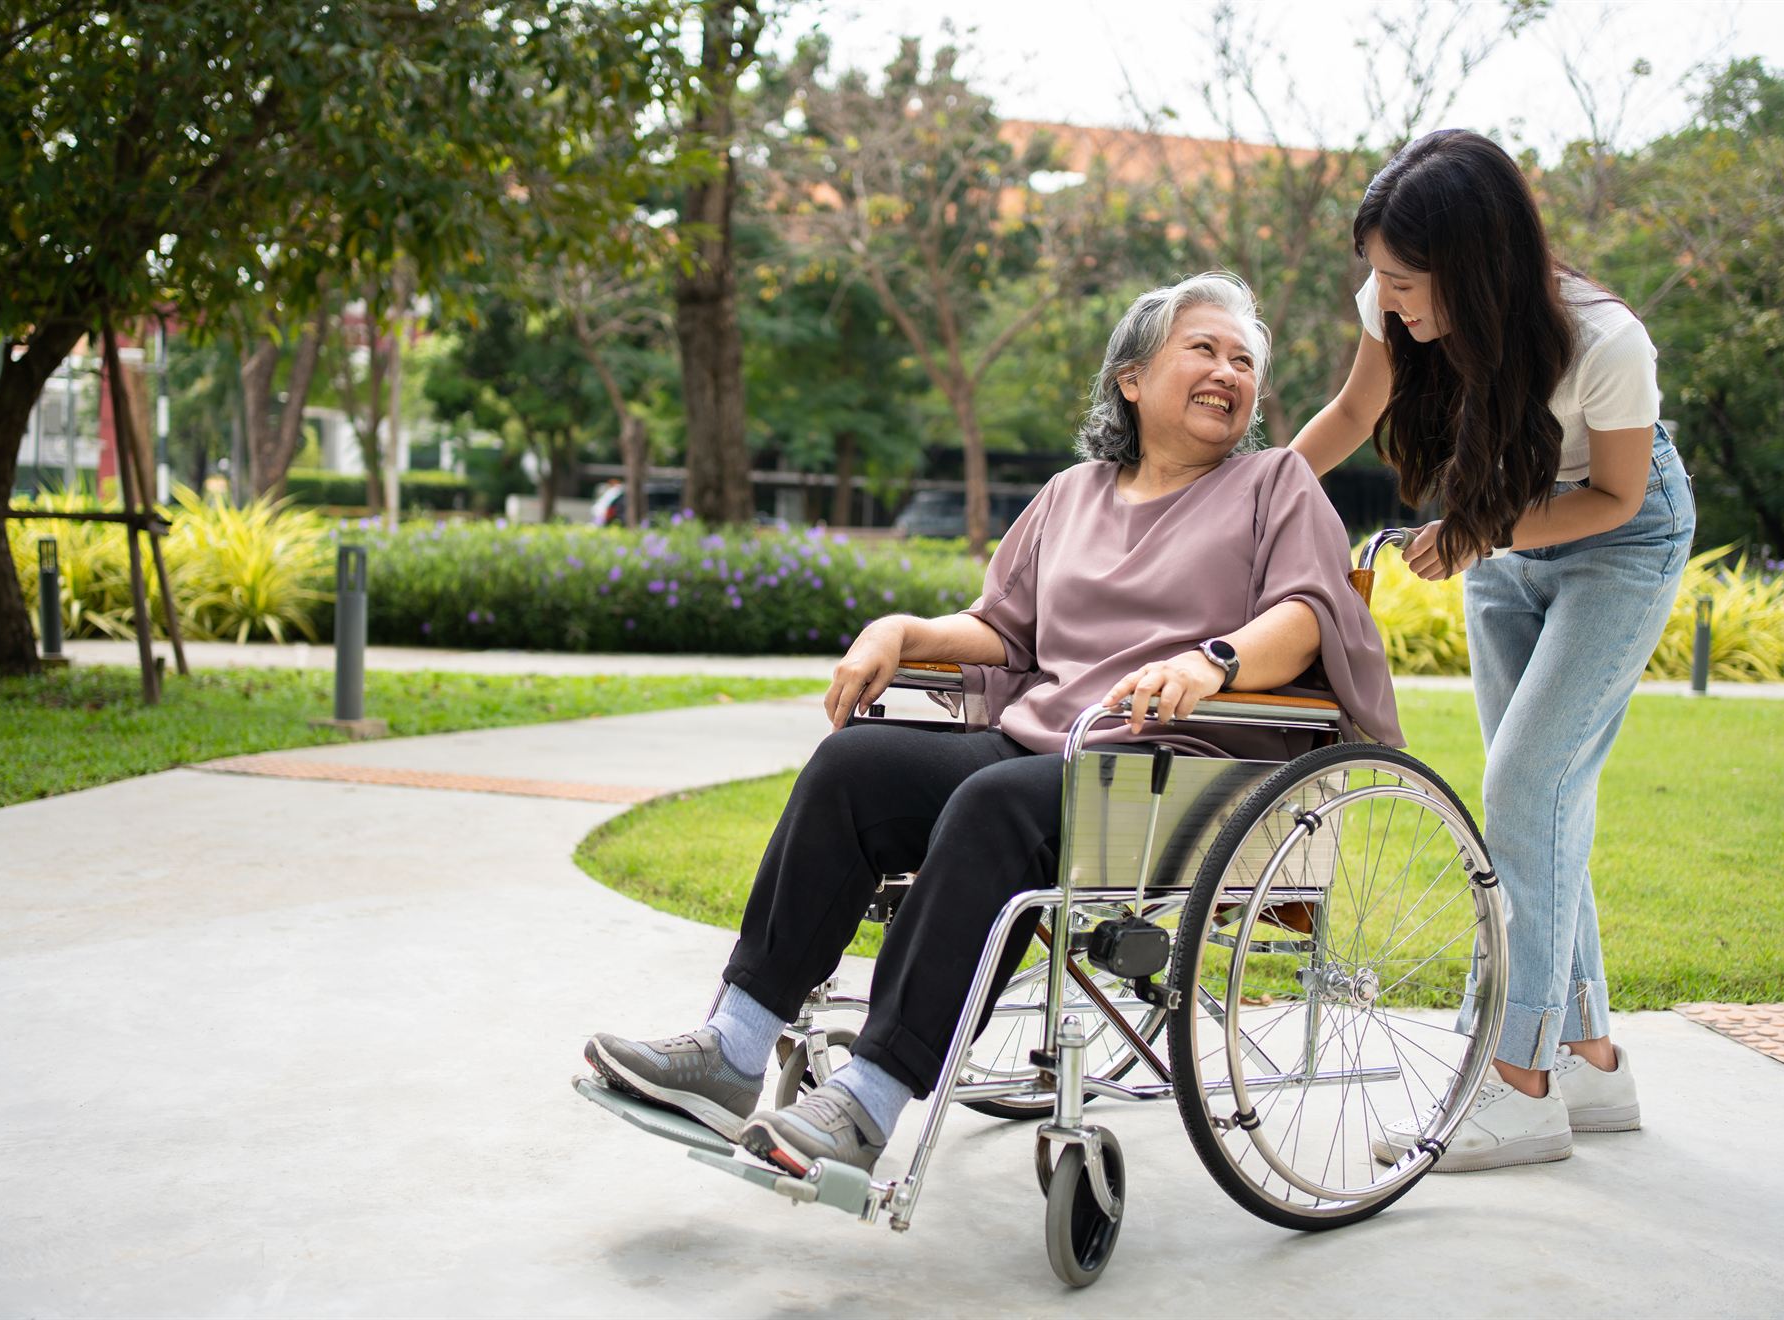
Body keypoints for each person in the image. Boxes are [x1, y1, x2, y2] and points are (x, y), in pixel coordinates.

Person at [583, 273, 1401, 1177]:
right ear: (1131, 377)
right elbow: (1002, 629)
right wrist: (902, 630)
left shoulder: (1273, 483)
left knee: (994, 802)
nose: (1229, 373)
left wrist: (1211, 660)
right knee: (852, 768)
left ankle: (868, 1100)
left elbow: (1306, 616)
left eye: (1244, 361)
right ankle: (734, 1050)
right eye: (1203, 349)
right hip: (1041, 749)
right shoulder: (1071, 494)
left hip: (1180, 768)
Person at [1292, 130, 1695, 1171]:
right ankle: (1592, 1058)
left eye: (1408, 281)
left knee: (1524, 786)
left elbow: (1614, 496)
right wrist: (1250, 494)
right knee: (1542, 801)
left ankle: (1518, 1086)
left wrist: (1479, 530)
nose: (1390, 300)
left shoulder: (1607, 341)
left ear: (1476, 267)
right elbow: (1354, 409)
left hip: (1620, 541)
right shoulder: (1393, 301)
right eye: (1377, 275)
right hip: (1501, 525)